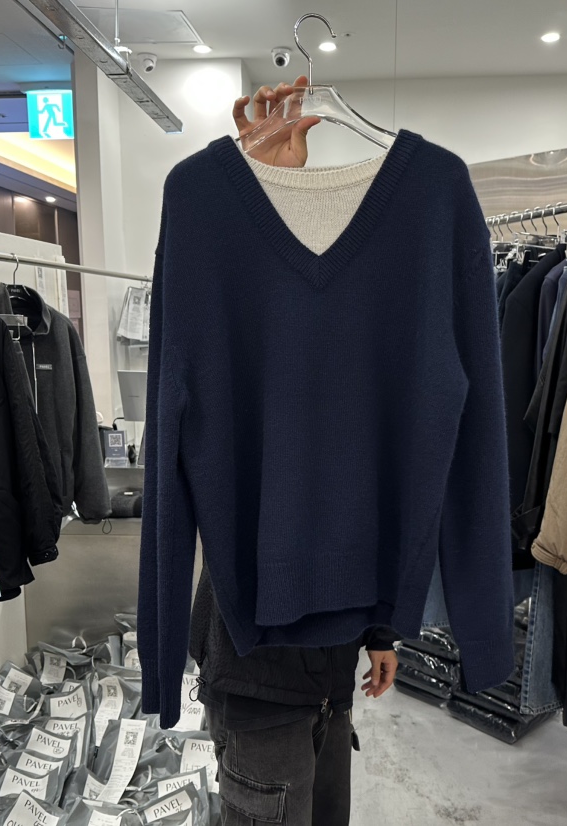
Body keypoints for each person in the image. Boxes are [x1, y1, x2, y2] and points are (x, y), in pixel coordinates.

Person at [190, 76, 400, 826]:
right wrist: (253, 186)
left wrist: (378, 629)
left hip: (330, 671)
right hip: (257, 672)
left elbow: (366, 496)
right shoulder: (239, 336)